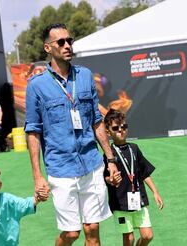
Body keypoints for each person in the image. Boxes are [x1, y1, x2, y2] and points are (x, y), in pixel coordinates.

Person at [25, 23, 120, 246]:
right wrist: (38, 176)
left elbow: (97, 121)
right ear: (48, 48)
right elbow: (33, 132)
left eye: (70, 41)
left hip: (92, 164)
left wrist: (110, 159)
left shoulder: (85, 76)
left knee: (92, 229)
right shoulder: (36, 86)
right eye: (61, 42)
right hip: (60, 168)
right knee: (72, 233)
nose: (67, 45)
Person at [103, 109, 164, 246]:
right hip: (120, 203)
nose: (121, 130)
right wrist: (110, 180)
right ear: (108, 132)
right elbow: (104, 178)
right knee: (129, 239)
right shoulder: (109, 154)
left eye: (124, 126)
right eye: (116, 128)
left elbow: (144, 173)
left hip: (138, 200)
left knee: (148, 236)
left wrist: (155, 192)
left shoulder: (134, 148)